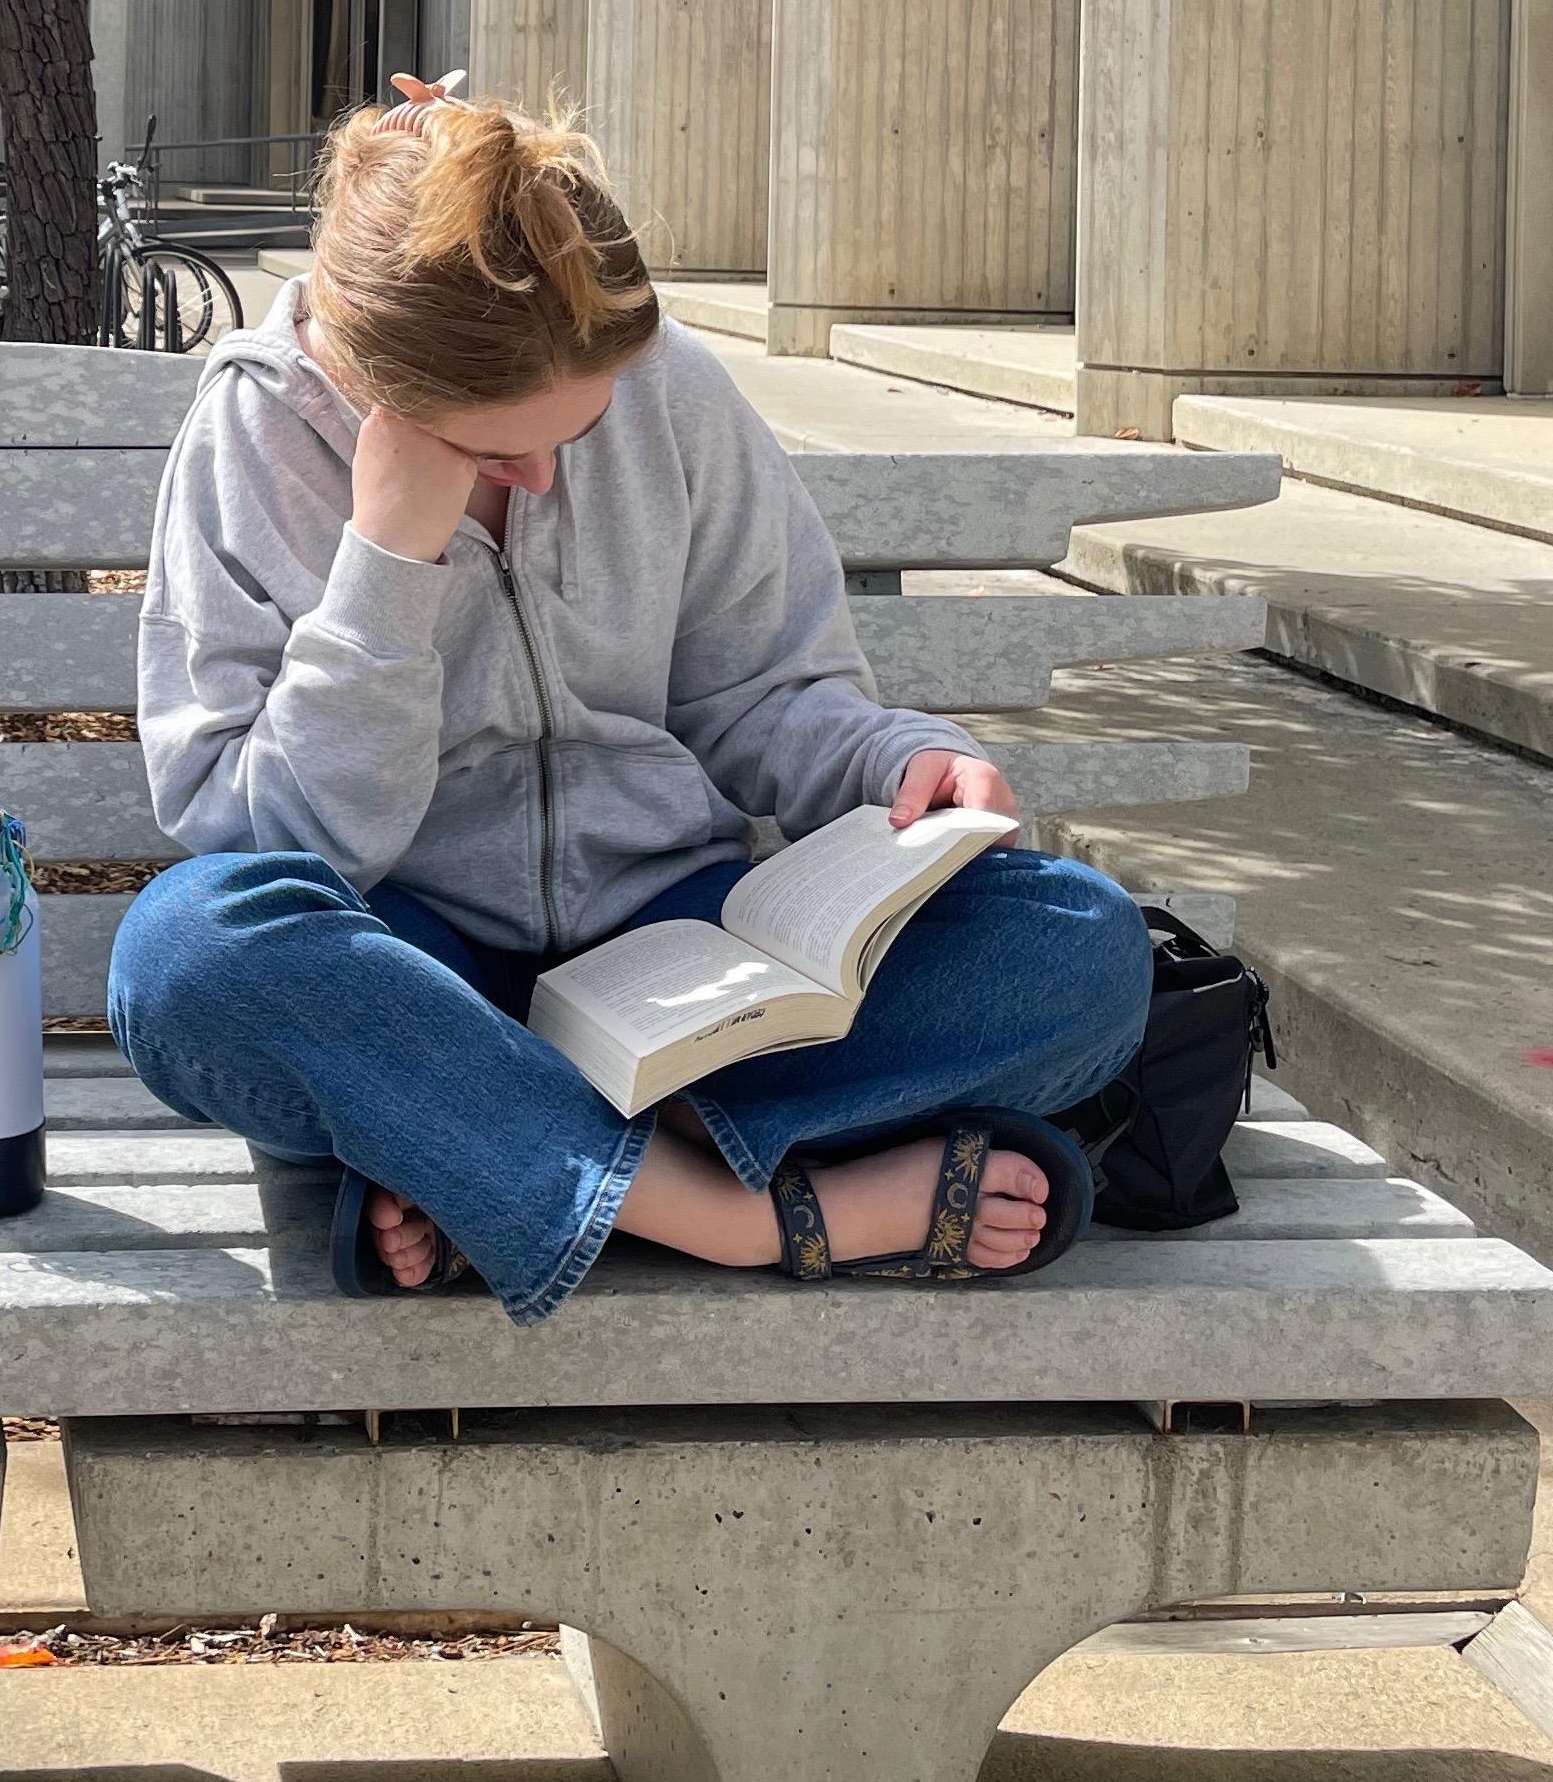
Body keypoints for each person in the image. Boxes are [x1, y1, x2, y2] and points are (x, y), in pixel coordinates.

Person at [106, 79, 1151, 1320]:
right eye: (496, 451)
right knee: (186, 959)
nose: (546, 476)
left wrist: (893, 758)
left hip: (678, 947)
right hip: (413, 960)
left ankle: (474, 1153)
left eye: (579, 426)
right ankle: (748, 1215)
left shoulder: (668, 384)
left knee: (1081, 943)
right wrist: (389, 563)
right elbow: (263, 842)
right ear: (375, 390)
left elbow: (763, 685)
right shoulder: (253, 437)